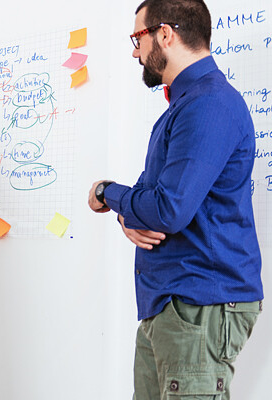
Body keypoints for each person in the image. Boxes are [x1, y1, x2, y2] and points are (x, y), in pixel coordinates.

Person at [88, 0, 263, 398]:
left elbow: (168, 209)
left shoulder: (208, 104)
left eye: (138, 37)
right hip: (172, 305)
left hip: (197, 304)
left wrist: (106, 193)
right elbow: (155, 195)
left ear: (165, 33)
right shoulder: (186, 104)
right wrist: (126, 214)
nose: (135, 51)